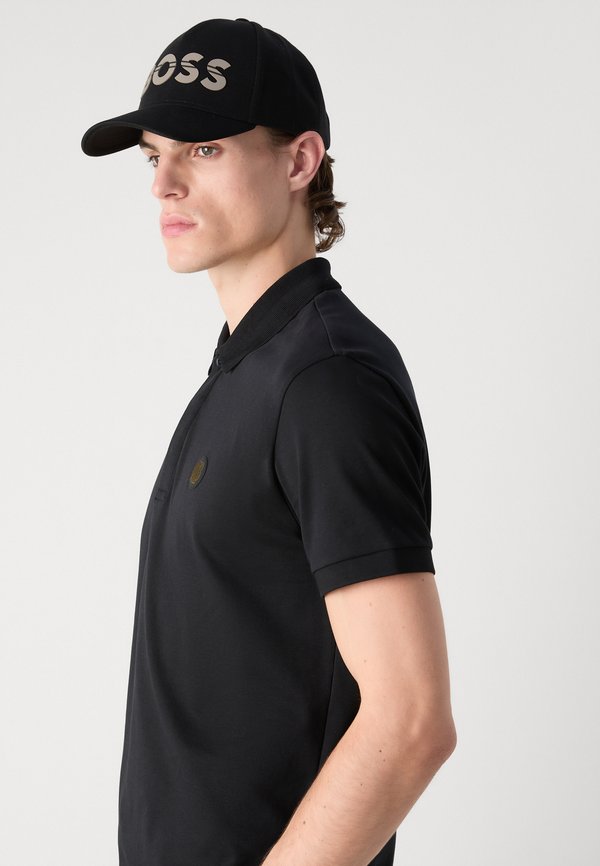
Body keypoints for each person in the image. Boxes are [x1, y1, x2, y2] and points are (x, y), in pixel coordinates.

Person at [81, 16, 457, 866]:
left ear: (299, 162)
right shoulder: (246, 373)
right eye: (154, 155)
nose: (163, 184)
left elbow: (411, 719)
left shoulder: (326, 380)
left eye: (204, 149)